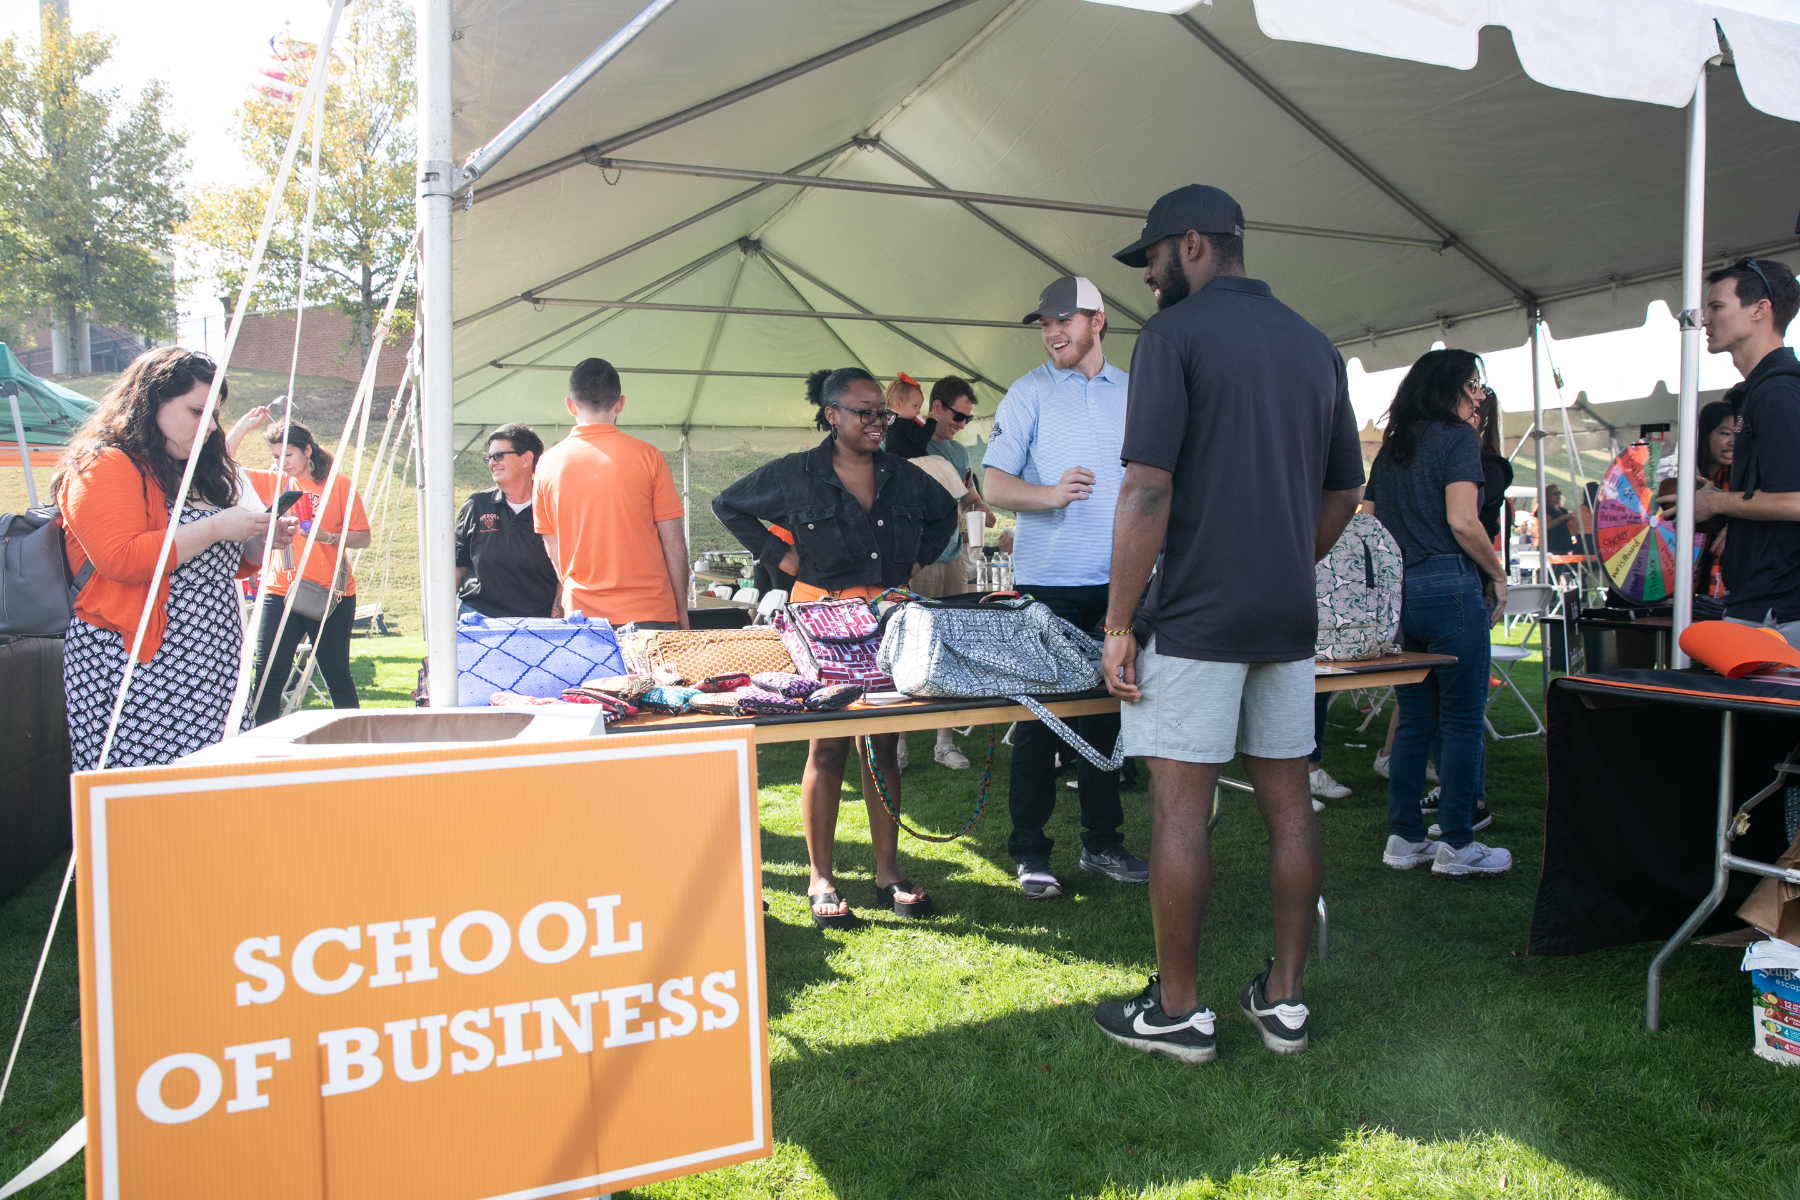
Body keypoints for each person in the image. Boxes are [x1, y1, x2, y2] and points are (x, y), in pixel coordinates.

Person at [1091, 184, 1364, 1062]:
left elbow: (1145, 487)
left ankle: (1177, 1011)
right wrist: (1288, 560)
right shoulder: (1317, 346)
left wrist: (1116, 622)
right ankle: (1285, 999)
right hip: (1286, 612)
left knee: (1180, 804)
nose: (1148, 279)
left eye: (1154, 259)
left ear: (1196, 244)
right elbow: (1347, 492)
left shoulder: (1175, 335)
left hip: (1198, 615)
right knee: (1289, 805)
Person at [712, 369, 959, 927]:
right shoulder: (794, 474)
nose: (878, 422)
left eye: (883, 414)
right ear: (833, 415)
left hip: (888, 617)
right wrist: (785, 561)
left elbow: (946, 512)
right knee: (826, 748)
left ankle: (887, 872)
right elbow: (729, 506)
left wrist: (914, 560)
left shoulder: (902, 473)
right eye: (866, 412)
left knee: (883, 745)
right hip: (820, 616)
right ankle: (820, 877)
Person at [982, 274, 1146, 897]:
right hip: (1048, 586)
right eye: (1045, 323)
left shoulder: (1135, 393)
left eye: (1064, 320)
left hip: (1121, 588)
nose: (1052, 332)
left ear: (1097, 321)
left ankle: (1103, 843)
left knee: (1108, 718)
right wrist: (1049, 496)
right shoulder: (1027, 393)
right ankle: (1029, 852)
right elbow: (995, 486)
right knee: (1039, 724)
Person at [56, 348, 291, 770]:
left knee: (210, 792)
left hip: (208, 664)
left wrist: (256, 544)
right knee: (149, 798)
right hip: (136, 665)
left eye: (215, 415)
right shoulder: (103, 463)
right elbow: (121, 559)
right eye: (196, 411)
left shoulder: (187, 467)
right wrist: (219, 527)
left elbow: (209, 565)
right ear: (151, 401)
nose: (208, 427)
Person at [1364, 350, 1512, 880]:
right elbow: (1465, 522)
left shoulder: (1392, 450)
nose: (1479, 394)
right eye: (1473, 383)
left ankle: (1404, 837)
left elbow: (1371, 528)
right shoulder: (1456, 440)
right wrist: (1498, 574)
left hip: (1399, 596)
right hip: (1449, 585)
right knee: (1463, 720)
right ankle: (1457, 843)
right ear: (1451, 385)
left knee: (1414, 724)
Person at [1661, 258, 1800, 647]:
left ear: (1760, 309)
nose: (1703, 319)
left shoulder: (1777, 392)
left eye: (1717, 306)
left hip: (1779, 610)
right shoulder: (1759, 392)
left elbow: (1795, 502)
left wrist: (1716, 504)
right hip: (1763, 602)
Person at [534, 358, 689, 628]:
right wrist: (682, 611)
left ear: (570, 405)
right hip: (651, 614)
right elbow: (674, 544)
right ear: (620, 403)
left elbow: (553, 548)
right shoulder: (648, 457)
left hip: (583, 617)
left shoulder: (547, 463)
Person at [244, 421, 372, 725]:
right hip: (280, 590)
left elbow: (362, 537)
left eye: (287, 455)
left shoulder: (337, 484)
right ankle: (263, 749)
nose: (281, 464)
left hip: (330, 593)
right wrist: (245, 426)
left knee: (336, 675)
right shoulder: (276, 482)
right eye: (275, 457)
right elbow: (225, 465)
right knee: (267, 677)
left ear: (307, 450)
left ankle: (353, 745)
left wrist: (326, 537)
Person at [912, 374, 995, 767]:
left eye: (967, 419)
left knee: (952, 648)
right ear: (937, 407)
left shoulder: (961, 454)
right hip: (916, 562)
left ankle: (944, 742)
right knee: (908, 646)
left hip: (954, 559)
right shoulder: (910, 442)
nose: (962, 425)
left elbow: (969, 499)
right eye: (958, 417)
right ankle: (896, 744)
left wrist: (981, 510)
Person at [454, 423, 558, 619]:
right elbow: (458, 566)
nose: (492, 463)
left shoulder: (553, 506)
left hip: (538, 622)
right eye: (489, 457)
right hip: (478, 618)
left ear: (527, 458)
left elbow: (569, 568)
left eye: (499, 455)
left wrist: (557, 613)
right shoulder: (476, 506)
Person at [1693, 399, 1737, 600]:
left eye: (1737, 435)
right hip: (1675, 582)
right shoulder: (1683, 477)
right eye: (1725, 434)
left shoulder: (1740, 480)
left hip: (1719, 593)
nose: (1732, 442)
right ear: (1705, 434)